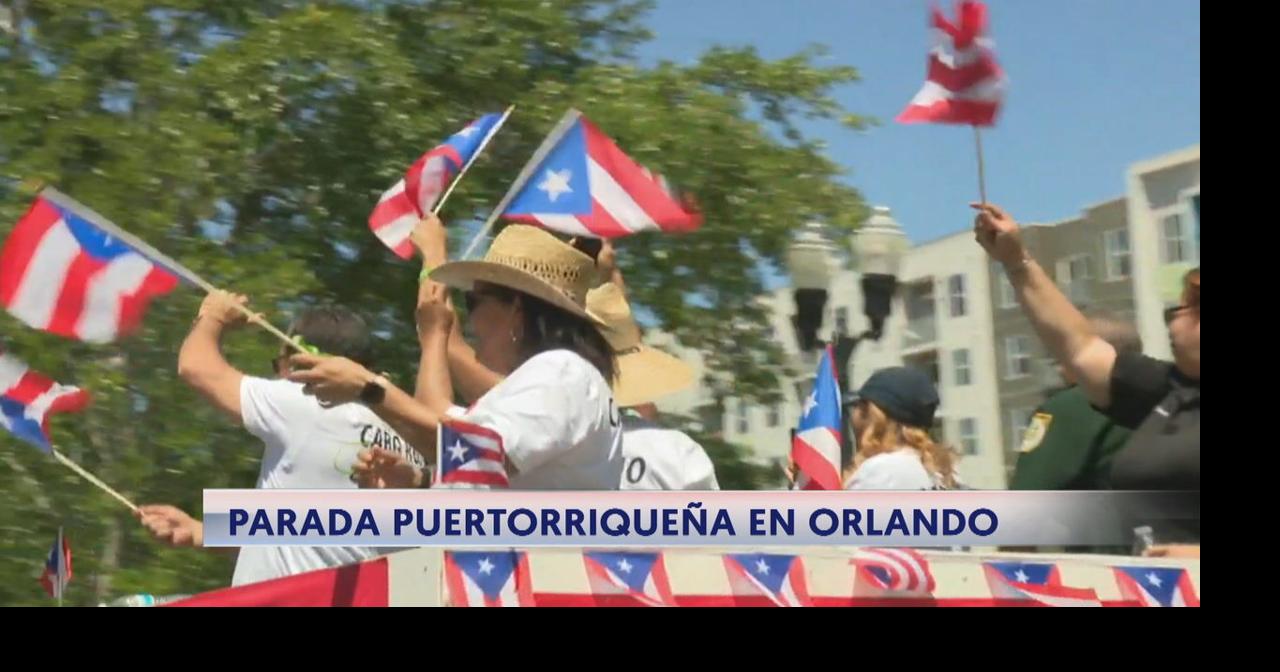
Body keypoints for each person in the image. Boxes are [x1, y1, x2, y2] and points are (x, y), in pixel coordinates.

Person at [287, 224, 624, 490]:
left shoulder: (561, 371)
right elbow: (440, 422)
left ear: (516, 309)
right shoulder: (559, 377)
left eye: (473, 303)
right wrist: (419, 483)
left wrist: (368, 387)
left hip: (537, 576)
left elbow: (481, 452)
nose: (470, 319)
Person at [138, 293, 421, 585]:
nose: (279, 375)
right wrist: (202, 531)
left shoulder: (309, 402)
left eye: (280, 363)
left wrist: (212, 316)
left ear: (302, 361)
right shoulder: (409, 434)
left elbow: (196, 367)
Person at [973, 202, 1199, 555]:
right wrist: (1016, 261)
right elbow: (1080, 347)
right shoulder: (1167, 391)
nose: (1172, 320)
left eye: (1183, 309)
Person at [1010, 312, 1143, 491]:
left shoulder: (1072, 406)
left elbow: (1030, 492)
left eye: (1069, 352)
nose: (1060, 366)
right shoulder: (1167, 400)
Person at [843, 367, 957, 490]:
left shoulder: (880, 472)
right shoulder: (935, 471)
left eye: (857, 407)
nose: (854, 416)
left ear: (870, 414)